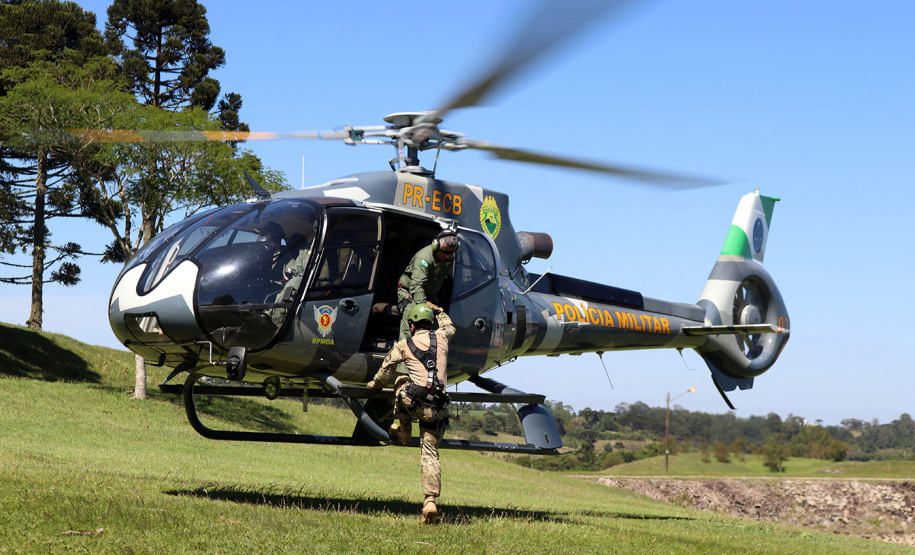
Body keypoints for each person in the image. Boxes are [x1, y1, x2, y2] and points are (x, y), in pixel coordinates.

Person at [366, 303, 456, 524]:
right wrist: (438, 310)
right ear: (431, 323)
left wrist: (375, 384)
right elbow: (450, 326)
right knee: (430, 452)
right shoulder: (443, 337)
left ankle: (404, 430)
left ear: (412, 325)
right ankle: (430, 500)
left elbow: (386, 371)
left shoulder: (404, 344)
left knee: (401, 382)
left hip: (413, 405)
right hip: (438, 408)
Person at [396, 229, 459, 340]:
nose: (447, 256)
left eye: (451, 253)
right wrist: (428, 306)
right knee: (413, 316)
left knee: (433, 324)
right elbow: (416, 287)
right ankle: (404, 352)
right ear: (436, 246)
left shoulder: (449, 258)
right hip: (411, 293)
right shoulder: (424, 258)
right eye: (445, 252)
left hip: (429, 294)